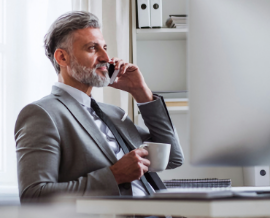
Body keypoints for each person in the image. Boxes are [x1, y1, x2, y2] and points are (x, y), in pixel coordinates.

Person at [14, 11, 184, 203]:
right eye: (92, 48)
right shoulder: (42, 114)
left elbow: (172, 158)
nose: (106, 57)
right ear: (62, 57)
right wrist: (114, 176)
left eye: (104, 47)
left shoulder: (113, 114)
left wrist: (141, 93)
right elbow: (34, 196)